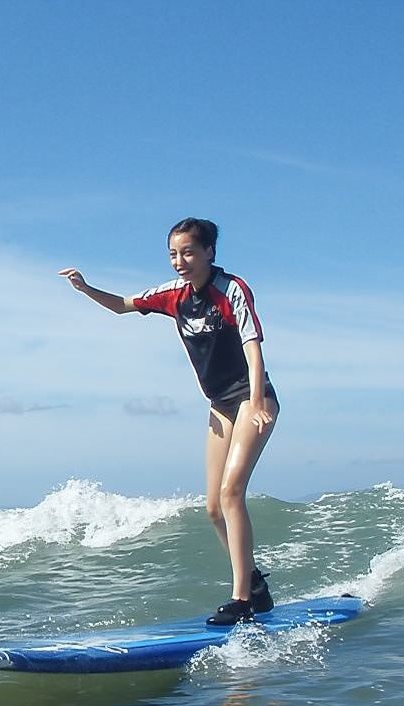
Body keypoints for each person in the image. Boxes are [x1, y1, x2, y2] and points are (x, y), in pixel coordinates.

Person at [59, 218, 278, 625]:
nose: (181, 261)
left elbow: (252, 342)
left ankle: (242, 598)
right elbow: (124, 305)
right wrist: (86, 289)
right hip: (219, 406)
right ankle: (256, 585)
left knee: (232, 493)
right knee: (213, 508)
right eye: (174, 254)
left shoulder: (231, 289)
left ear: (210, 251)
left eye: (189, 252)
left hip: (250, 399)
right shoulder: (173, 295)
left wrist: (260, 397)